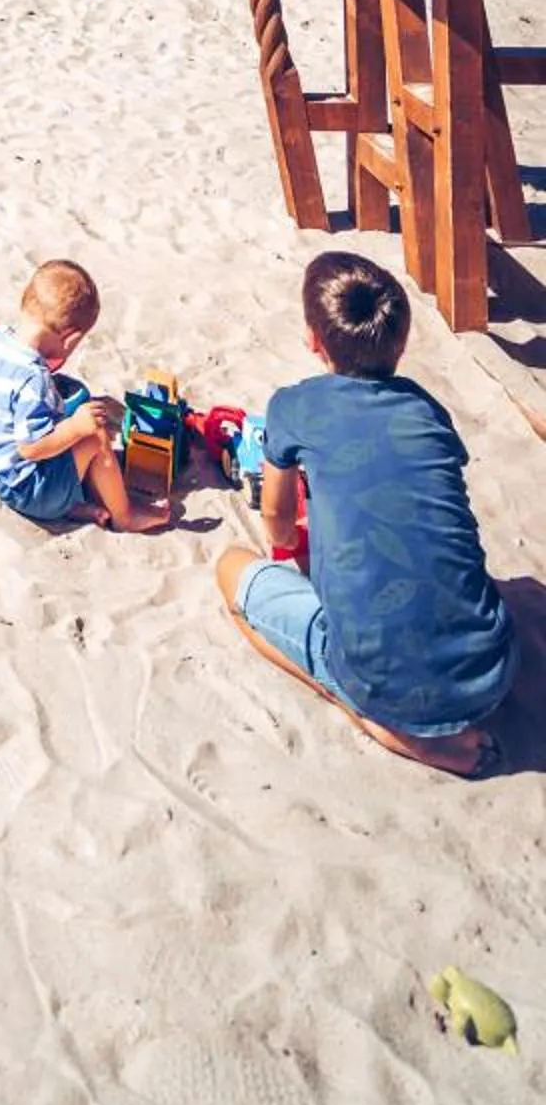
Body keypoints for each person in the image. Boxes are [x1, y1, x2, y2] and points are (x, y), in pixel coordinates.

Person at [215, 251, 517, 778]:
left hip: (383, 684)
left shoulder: (293, 406)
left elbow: (278, 519)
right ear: (400, 343)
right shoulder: (426, 409)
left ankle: (362, 709)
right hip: (495, 668)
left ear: (314, 339)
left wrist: (289, 547)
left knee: (231, 573)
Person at [0, 258, 170, 534]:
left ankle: (73, 505)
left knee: (67, 426)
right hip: (30, 491)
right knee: (95, 436)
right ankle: (125, 517)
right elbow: (31, 448)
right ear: (70, 339)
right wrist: (75, 428)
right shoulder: (32, 379)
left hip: (0, 477)